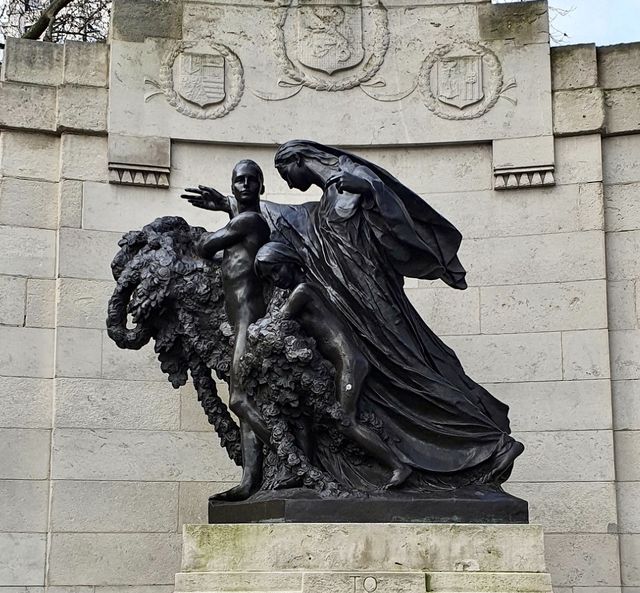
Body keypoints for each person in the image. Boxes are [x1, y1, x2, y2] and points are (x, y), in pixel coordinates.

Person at [183, 141, 524, 492]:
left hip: (373, 297)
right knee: (394, 381)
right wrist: (227, 205)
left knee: (412, 368)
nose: (289, 182)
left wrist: (372, 192)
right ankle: (434, 452)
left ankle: (487, 441)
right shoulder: (327, 198)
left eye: (287, 173)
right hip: (351, 304)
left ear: (299, 160)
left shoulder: (351, 181)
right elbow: (288, 219)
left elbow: (394, 216)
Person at [254, 241, 412, 489]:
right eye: (268, 277)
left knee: (346, 421)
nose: (275, 279)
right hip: (342, 363)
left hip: (350, 362)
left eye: (275, 270)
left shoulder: (302, 291)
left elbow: (275, 322)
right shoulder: (304, 289)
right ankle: (307, 469)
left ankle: (398, 466)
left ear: (289, 261)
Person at [182, 160, 271, 500]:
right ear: (233, 186)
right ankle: (250, 481)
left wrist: (225, 210)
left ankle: (295, 458)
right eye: (239, 180)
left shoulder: (249, 221)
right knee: (247, 403)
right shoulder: (244, 217)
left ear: (261, 187)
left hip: (249, 322)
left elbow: (205, 246)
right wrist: (224, 204)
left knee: (238, 398)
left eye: (252, 180)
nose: (245, 185)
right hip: (238, 323)